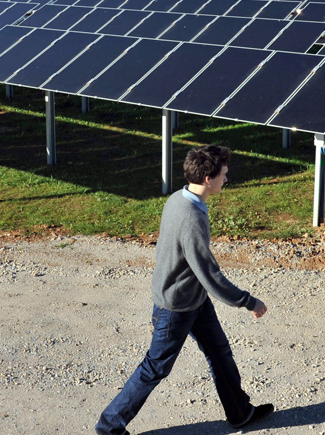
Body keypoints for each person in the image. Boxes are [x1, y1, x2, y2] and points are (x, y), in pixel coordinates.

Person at [96, 144, 274, 435]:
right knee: (155, 367)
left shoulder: (179, 198)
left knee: (219, 353)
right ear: (208, 179)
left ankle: (240, 413)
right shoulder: (191, 216)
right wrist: (248, 301)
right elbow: (209, 273)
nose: (226, 179)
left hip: (193, 299)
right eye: (224, 175)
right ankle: (109, 426)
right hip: (176, 306)